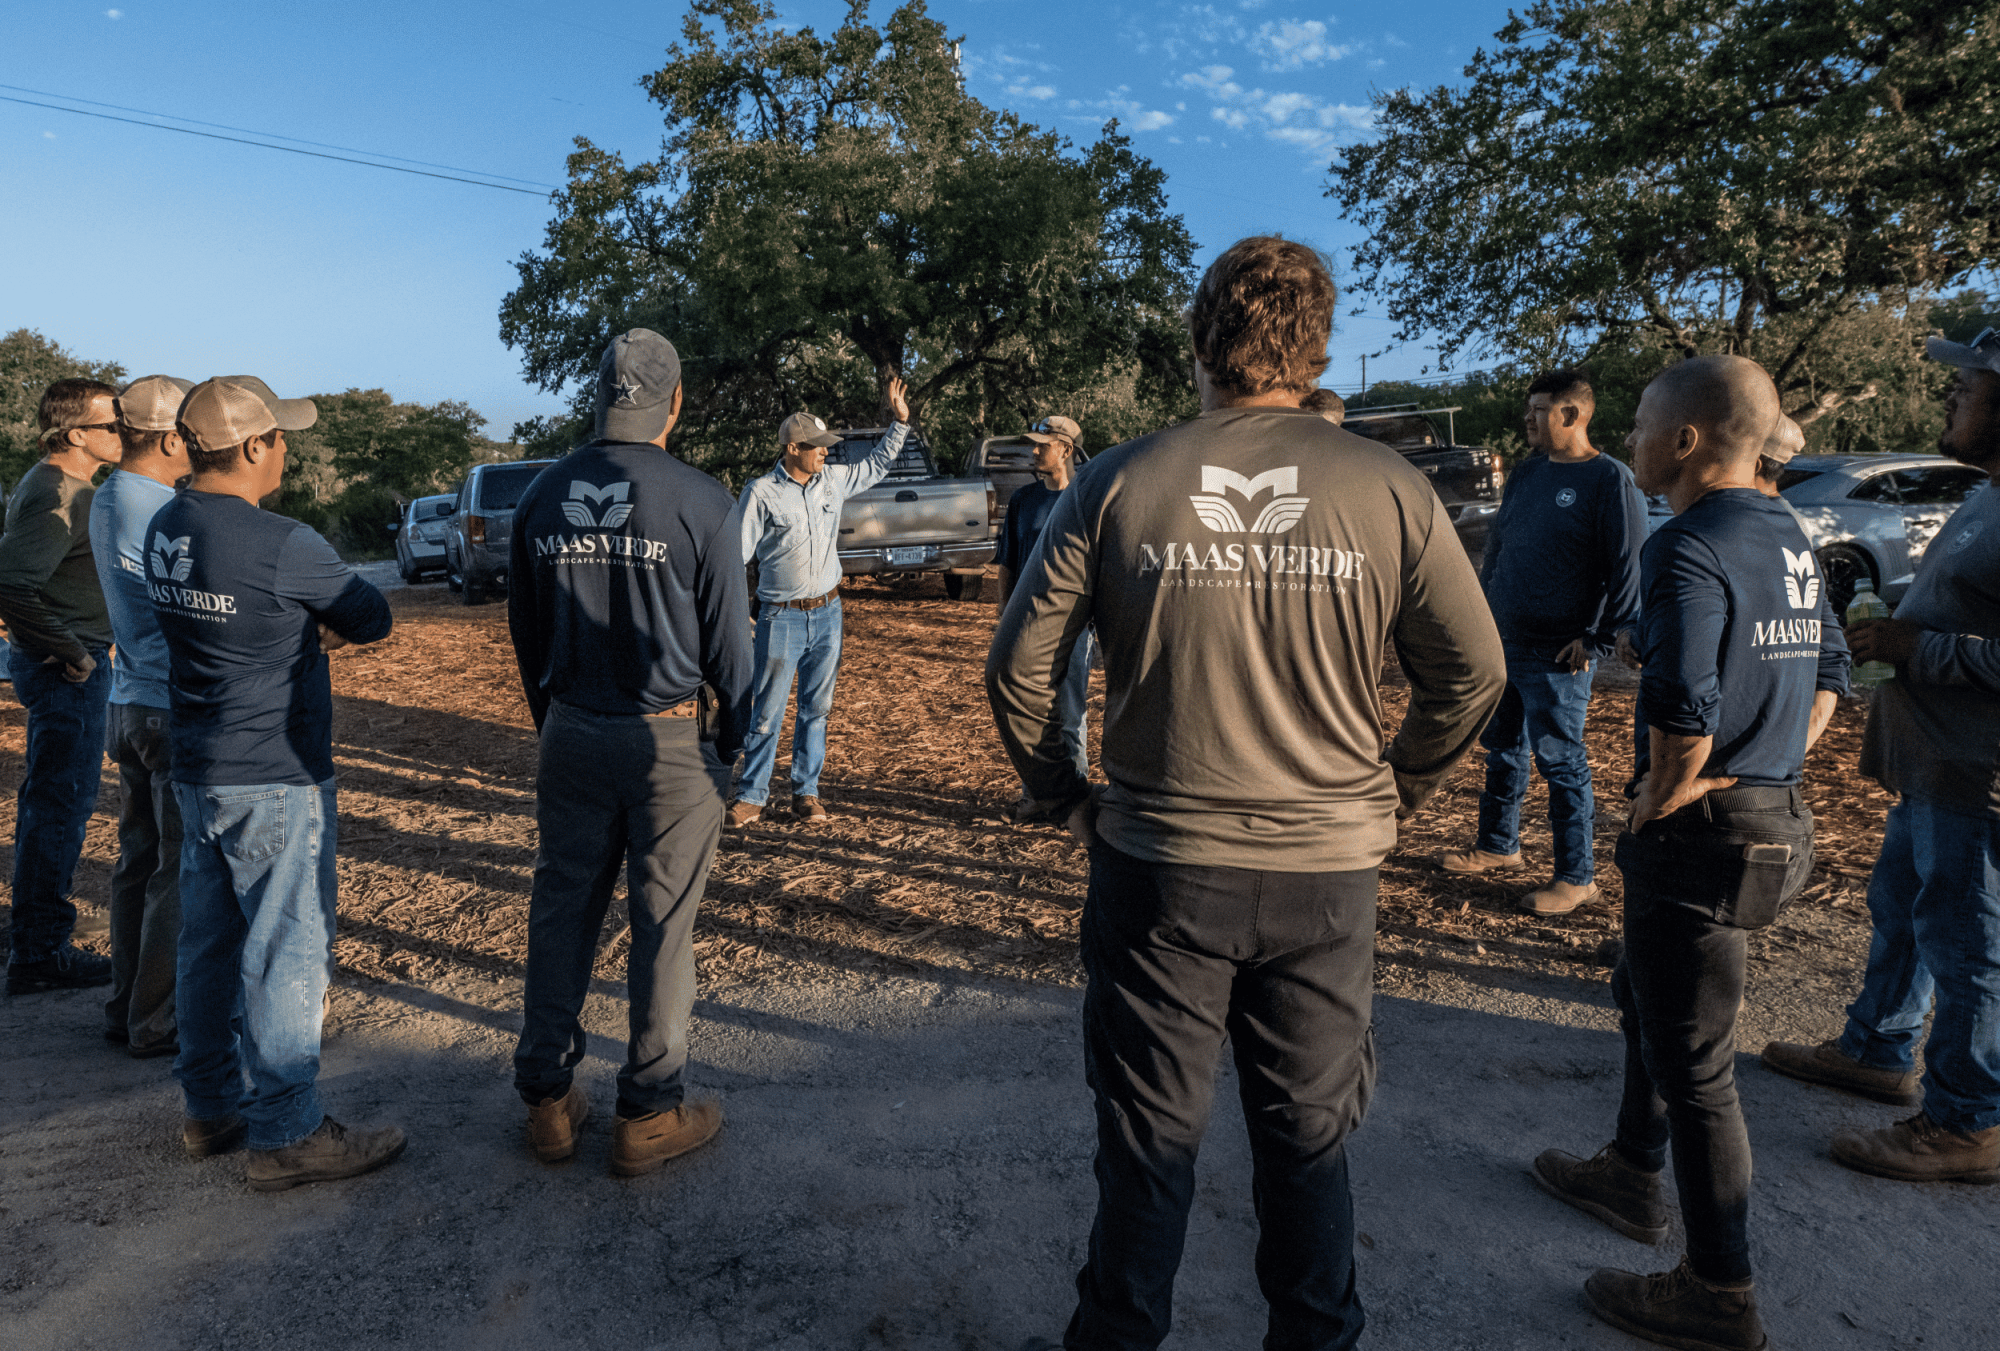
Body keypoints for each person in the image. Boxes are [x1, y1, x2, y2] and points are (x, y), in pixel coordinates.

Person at [990, 236, 1506, 1351]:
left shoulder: (1118, 480)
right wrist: (1398, 790)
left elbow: (1020, 666)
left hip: (1161, 866)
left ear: (1200, 340)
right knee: (1308, 1140)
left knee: (1147, 1140)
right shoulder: (1390, 487)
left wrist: (1060, 791)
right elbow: (1473, 673)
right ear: (1315, 348)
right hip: (1329, 873)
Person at [1531, 356, 1847, 1351]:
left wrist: (1667, 793)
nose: (1629, 438)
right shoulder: (1786, 534)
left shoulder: (1685, 545)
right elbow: (1830, 672)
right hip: (1766, 820)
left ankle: (1718, 1290)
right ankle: (1630, 1166)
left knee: (1699, 1068)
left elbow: (1681, 708)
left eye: (1640, 423)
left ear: (1684, 440)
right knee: (1648, 993)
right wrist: (1763, 765)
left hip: (1699, 837)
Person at [508, 328, 752, 1176]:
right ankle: (647, 1111)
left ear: (597, 399)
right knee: (663, 925)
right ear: (675, 403)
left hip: (572, 729)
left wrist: (555, 721)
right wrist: (728, 744)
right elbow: (732, 651)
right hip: (670, 742)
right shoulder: (704, 501)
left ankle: (547, 1099)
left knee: (561, 909)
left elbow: (526, 633)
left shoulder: (541, 495)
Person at [1760, 327, 2000, 1184]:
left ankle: (1968, 1121)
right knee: (1904, 906)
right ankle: (1877, 1047)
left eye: (1970, 383)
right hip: (1932, 763)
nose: (1952, 393)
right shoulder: (1987, 495)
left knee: (1968, 943)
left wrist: (1916, 647)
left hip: (1977, 774)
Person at [153, 376, 403, 1189]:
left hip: (198, 765)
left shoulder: (167, 524)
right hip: (274, 771)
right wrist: (310, 627)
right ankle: (288, 1130)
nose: (288, 448)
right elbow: (371, 615)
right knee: (286, 947)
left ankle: (209, 1106)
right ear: (255, 445)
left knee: (208, 942)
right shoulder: (284, 542)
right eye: (282, 435)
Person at [1441, 369, 1646, 916]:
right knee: (1502, 749)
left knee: (1561, 762)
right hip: (1503, 640)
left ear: (1571, 415)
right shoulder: (1529, 472)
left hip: (1559, 654)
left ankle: (1577, 878)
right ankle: (1498, 845)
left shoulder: (1609, 479)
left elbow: (1625, 567)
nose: (1527, 419)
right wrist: (1480, 616)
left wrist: (1598, 639)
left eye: (1538, 410)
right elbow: (1499, 549)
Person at [727, 373, 911, 826]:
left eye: (826, 445)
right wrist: (736, 613)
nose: (826, 451)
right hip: (780, 618)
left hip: (828, 612)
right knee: (767, 711)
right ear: (792, 448)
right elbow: (734, 557)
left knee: (817, 709)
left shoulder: (833, 481)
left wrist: (900, 423)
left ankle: (806, 793)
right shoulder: (761, 492)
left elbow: (876, 465)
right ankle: (752, 795)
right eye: (817, 446)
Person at [0, 378, 121, 997]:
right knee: (61, 806)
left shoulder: (62, 485)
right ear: (77, 434)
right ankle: (41, 954)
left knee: (49, 801)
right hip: (66, 671)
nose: (124, 432)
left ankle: (33, 929)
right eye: (112, 424)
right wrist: (71, 650)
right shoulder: (59, 493)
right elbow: (10, 583)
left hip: (62, 662)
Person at [88, 375, 193, 1055]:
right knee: (178, 867)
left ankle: (124, 1001)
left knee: (138, 858)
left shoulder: (108, 495)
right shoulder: (160, 508)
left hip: (127, 697)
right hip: (167, 700)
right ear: (168, 438)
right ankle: (155, 1020)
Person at [996, 415, 1093, 822]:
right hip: (1025, 623)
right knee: (1028, 711)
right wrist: (1004, 614)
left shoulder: (1086, 500)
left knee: (1070, 713)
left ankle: (1075, 800)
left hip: (1072, 624)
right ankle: (1035, 796)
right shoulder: (1024, 499)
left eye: (1042, 445)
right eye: (1033, 444)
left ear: (1066, 450)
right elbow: (1007, 561)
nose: (1034, 451)